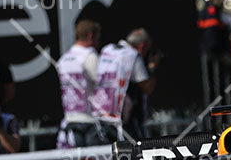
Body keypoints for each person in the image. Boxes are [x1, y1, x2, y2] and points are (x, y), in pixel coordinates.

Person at [90, 27, 157, 142]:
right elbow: (147, 88)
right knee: (136, 155)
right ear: (141, 46)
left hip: (101, 116)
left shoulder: (108, 49)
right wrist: (152, 67)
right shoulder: (133, 55)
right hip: (124, 122)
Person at [56, 18, 101, 149]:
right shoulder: (90, 56)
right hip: (90, 121)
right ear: (90, 36)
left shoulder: (63, 59)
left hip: (70, 120)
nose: (98, 42)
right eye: (97, 38)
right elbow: (101, 85)